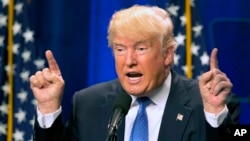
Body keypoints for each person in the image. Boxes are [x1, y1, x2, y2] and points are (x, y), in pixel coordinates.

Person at [30, 5, 240, 141]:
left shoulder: (210, 104)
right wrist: (48, 108)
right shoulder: (87, 104)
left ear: (167, 54)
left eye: (141, 49)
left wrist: (214, 114)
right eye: (120, 49)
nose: (129, 61)